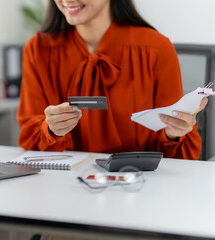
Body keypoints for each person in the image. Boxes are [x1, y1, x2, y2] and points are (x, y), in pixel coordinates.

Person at [17, 0, 208, 160]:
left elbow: (180, 152)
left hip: (140, 185)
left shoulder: (156, 48)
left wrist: (174, 133)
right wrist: (51, 130)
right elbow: (29, 135)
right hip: (64, 184)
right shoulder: (39, 49)